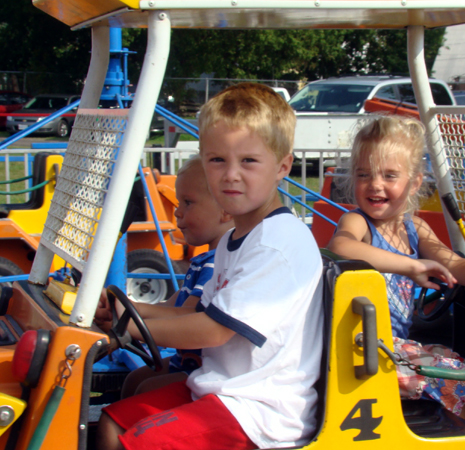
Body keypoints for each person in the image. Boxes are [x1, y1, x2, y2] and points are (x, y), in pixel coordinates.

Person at [95, 82, 324, 450]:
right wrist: (130, 309)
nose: (230, 174)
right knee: (112, 422)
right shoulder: (236, 240)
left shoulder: (277, 243)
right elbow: (198, 312)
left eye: (248, 161)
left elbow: (214, 332)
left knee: (133, 442)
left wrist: (129, 327)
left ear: (282, 166)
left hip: (259, 411)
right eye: (217, 160)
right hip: (220, 388)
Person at [327, 115, 465, 419]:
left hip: (392, 347)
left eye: (389, 175)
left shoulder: (415, 228)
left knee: (461, 369)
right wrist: (410, 266)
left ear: (415, 183)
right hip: (363, 349)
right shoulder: (358, 222)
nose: (375, 185)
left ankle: (449, 433)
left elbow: (455, 265)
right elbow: (341, 247)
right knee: (455, 379)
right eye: (364, 174)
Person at [115, 155, 234, 399]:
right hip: (186, 363)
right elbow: (172, 305)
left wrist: (130, 323)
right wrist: (128, 308)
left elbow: (188, 314)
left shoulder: (215, 265)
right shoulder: (203, 262)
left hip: (203, 371)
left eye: (188, 203)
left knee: (142, 390)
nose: (177, 212)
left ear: (224, 211)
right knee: (135, 380)